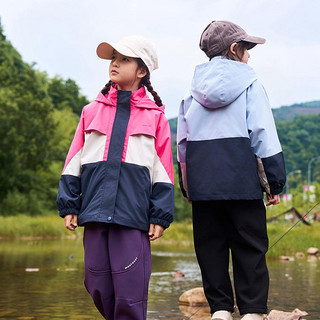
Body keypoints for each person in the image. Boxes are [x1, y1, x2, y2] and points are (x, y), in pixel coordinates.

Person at [57, 35, 174, 320]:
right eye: (113, 58)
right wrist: (69, 204)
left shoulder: (156, 118)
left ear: (142, 71)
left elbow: (164, 171)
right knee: (96, 283)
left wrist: (159, 215)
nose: (115, 64)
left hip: (132, 216)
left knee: (130, 290)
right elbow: (73, 161)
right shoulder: (90, 112)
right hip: (95, 211)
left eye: (124, 59)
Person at [177, 21, 286, 320]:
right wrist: (274, 183)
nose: (250, 57)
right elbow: (263, 134)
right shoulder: (251, 84)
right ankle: (252, 312)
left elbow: (183, 145)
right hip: (242, 183)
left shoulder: (191, 92)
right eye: (248, 50)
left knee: (210, 248)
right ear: (235, 49)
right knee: (250, 246)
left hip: (204, 187)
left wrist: (188, 187)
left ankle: (221, 311)